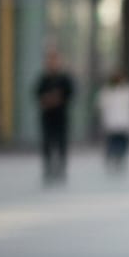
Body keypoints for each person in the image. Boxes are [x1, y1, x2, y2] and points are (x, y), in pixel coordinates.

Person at [34, 48, 75, 183]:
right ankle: (48, 168)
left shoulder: (64, 79)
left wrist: (59, 99)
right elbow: (37, 94)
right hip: (47, 116)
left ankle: (61, 168)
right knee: (47, 143)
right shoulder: (43, 79)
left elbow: (71, 94)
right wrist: (47, 99)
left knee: (61, 143)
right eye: (50, 60)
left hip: (61, 116)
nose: (52, 63)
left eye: (54, 60)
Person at [97, 71, 129, 173]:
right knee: (112, 143)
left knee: (123, 143)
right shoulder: (106, 91)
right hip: (112, 123)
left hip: (124, 123)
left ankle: (120, 160)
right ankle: (113, 159)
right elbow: (101, 106)